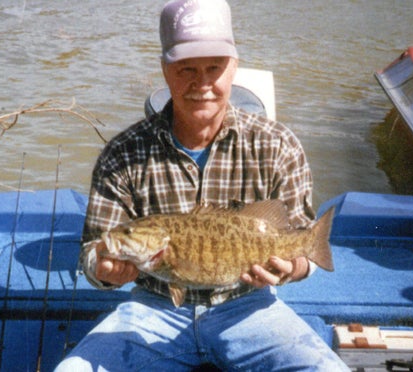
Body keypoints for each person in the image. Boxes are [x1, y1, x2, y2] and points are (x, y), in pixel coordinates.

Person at [56, 0, 350, 370]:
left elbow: (304, 249)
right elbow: (92, 249)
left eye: (215, 68)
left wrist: (292, 268)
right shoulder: (122, 154)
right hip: (152, 309)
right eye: (186, 70)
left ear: (234, 68)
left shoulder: (278, 145)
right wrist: (101, 269)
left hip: (248, 307)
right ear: (166, 71)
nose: (202, 84)